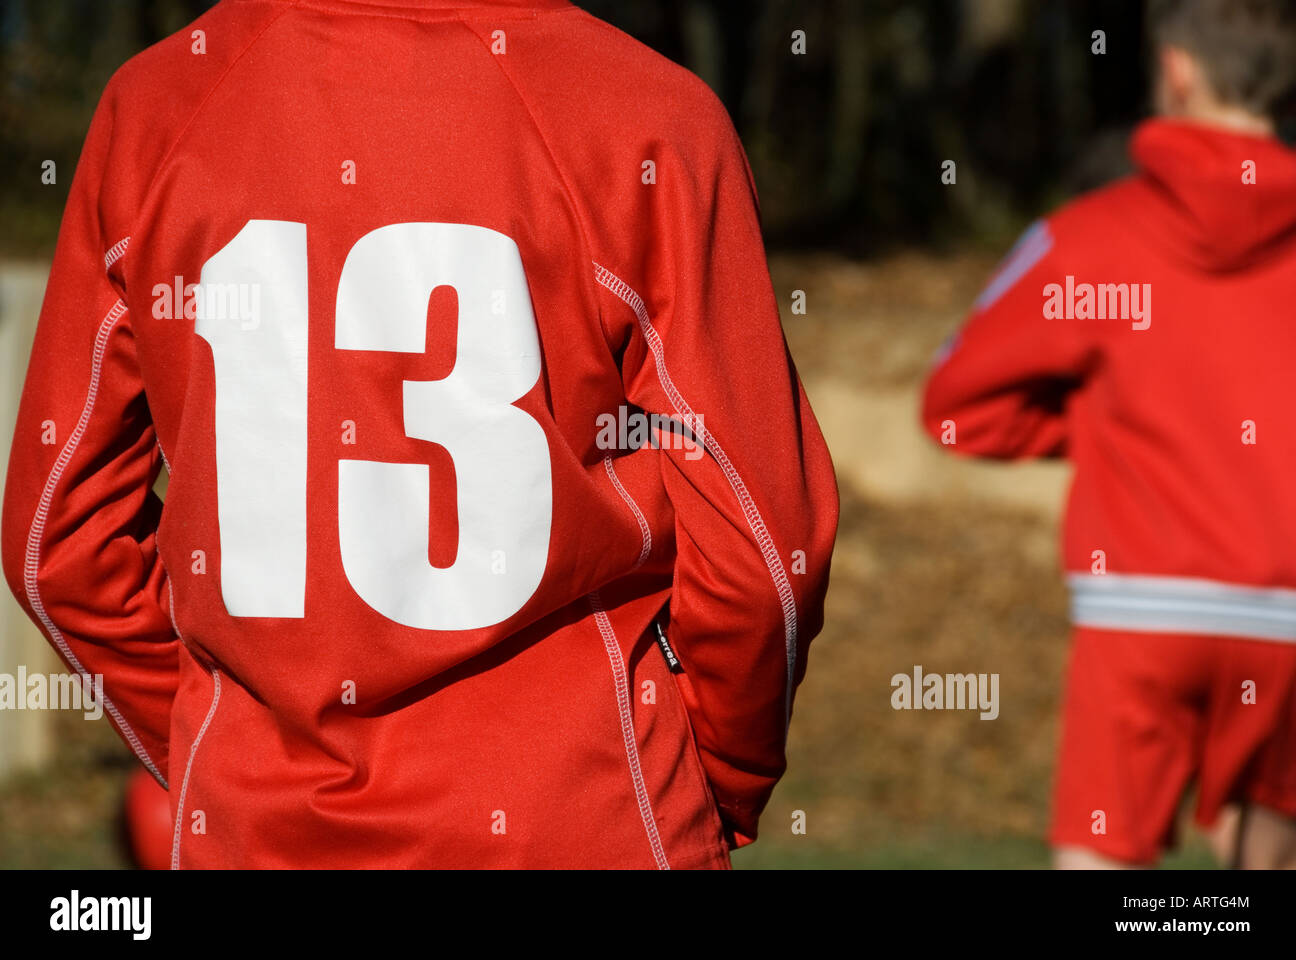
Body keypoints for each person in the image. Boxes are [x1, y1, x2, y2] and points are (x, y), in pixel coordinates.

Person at [1, 0, 838, 869]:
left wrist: (214, 752)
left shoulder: (157, 105)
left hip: (254, 836)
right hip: (584, 822)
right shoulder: (644, 113)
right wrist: (718, 775)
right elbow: (764, 551)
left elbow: (54, 543)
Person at [923, 0, 1296, 869]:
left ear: (1176, 69)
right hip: (1287, 618)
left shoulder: (1086, 238)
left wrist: (1107, 429)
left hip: (1140, 607)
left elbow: (955, 400)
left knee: (1104, 861)